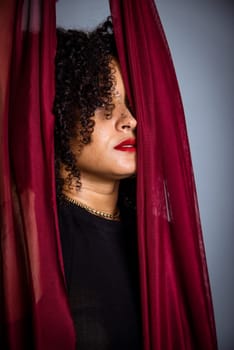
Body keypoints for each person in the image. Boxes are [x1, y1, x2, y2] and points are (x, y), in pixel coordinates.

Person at [53, 18, 142, 349]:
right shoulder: (33, 238)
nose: (128, 120)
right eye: (102, 102)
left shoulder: (159, 235)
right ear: (59, 113)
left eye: (130, 104)